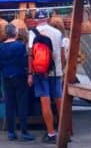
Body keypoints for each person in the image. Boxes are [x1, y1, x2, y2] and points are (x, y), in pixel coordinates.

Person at [28, 10, 65, 144]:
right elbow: (62, 54)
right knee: (59, 100)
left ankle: (51, 133)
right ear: (48, 19)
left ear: (36, 20)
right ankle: (63, 131)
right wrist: (61, 68)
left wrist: (30, 74)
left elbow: (31, 55)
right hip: (57, 71)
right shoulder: (58, 33)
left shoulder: (33, 33)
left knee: (45, 101)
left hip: (40, 72)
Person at [0, 24, 36, 141]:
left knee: (9, 105)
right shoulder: (21, 46)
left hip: (7, 77)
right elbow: (24, 62)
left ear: (6, 34)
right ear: (15, 33)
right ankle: (24, 132)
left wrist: (2, 71)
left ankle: (11, 132)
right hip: (19, 76)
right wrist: (29, 75)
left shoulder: (0, 47)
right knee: (22, 104)